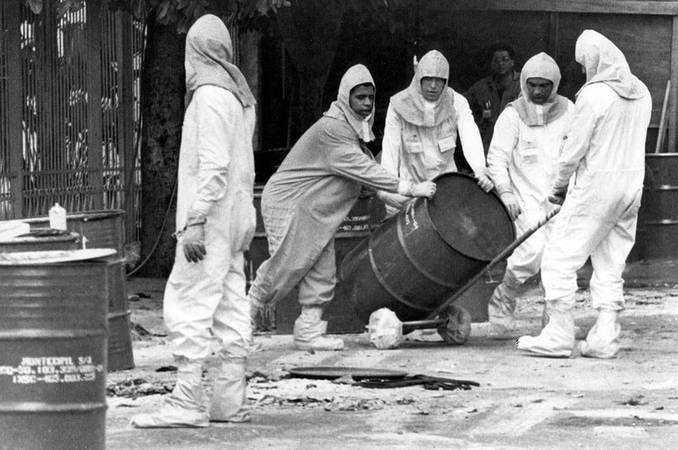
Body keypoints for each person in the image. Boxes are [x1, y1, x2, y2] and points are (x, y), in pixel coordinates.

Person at [248, 64, 436, 352]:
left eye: (370, 98)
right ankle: (239, 324)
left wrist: (386, 196)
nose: (366, 104)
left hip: (314, 211)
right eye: (360, 97)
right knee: (287, 265)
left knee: (322, 271)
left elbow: (359, 168)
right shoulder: (333, 129)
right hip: (290, 203)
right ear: (345, 97)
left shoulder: (350, 130)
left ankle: (308, 332)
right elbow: (361, 167)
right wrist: (409, 188)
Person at [131, 14, 257, 428]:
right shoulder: (238, 97)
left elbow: (215, 167)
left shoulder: (209, 97)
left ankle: (187, 401)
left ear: (195, 51)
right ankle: (228, 402)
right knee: (230, 302)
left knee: (189, 300)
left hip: (213, 220)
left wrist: (197, 220)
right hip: (237, 219)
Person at [517, 30, 651, 358]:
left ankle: (559, 335)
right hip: (631, 187)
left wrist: (558, 188)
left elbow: (573, 151)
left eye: (583, 64)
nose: (582, 71)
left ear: (594, 60)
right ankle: (605, 337)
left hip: (596, 187)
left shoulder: (593, 97)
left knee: (559, 258)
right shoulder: (642, 92)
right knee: (610, 261)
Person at [485, 52, 574, 337]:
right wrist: (506, 192)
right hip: (523, 200)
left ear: (555, 85)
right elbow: (497, 158)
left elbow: (578, 152)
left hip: (559, 199)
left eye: (544, 86)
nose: (537, 91)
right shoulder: (512, 115)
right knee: (530, 253)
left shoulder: (570, 111)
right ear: (524, 83)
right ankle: (505, 295)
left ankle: (552, 318)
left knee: (557, 260)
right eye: (532, 84)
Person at [379, 50, 493, 214]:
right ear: (419, 77)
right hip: (412, 187)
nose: (433, 86)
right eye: (428, 79)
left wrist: (480, 169)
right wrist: (390, 191)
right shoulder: (398, 104)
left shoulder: (457, 101)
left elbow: (470, 135)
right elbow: (390, 149)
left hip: (446, 187)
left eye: (439, 80)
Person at [466, 43, 522, 152]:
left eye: (505, 60)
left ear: (512, 62)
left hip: (516, 144)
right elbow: (462, 104)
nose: (501, 63)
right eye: (496, 60)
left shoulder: (523, 84)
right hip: (489, 145)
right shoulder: (481, 87)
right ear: (491, 63)